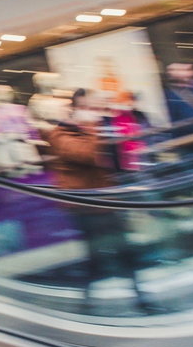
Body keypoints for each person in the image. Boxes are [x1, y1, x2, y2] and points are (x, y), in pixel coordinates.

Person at [44, 88, 151, 313]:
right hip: (84, 207)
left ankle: (140, 297)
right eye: (89, 108)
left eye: (96, 108)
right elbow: (87, 154)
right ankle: (88, 302)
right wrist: (94, 127)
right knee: (95, 257)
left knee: (124, 251)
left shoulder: (96, 129)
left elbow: (117, 154)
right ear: (75, 109)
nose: (95, 113)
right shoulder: (61, 134)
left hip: (105, 201)